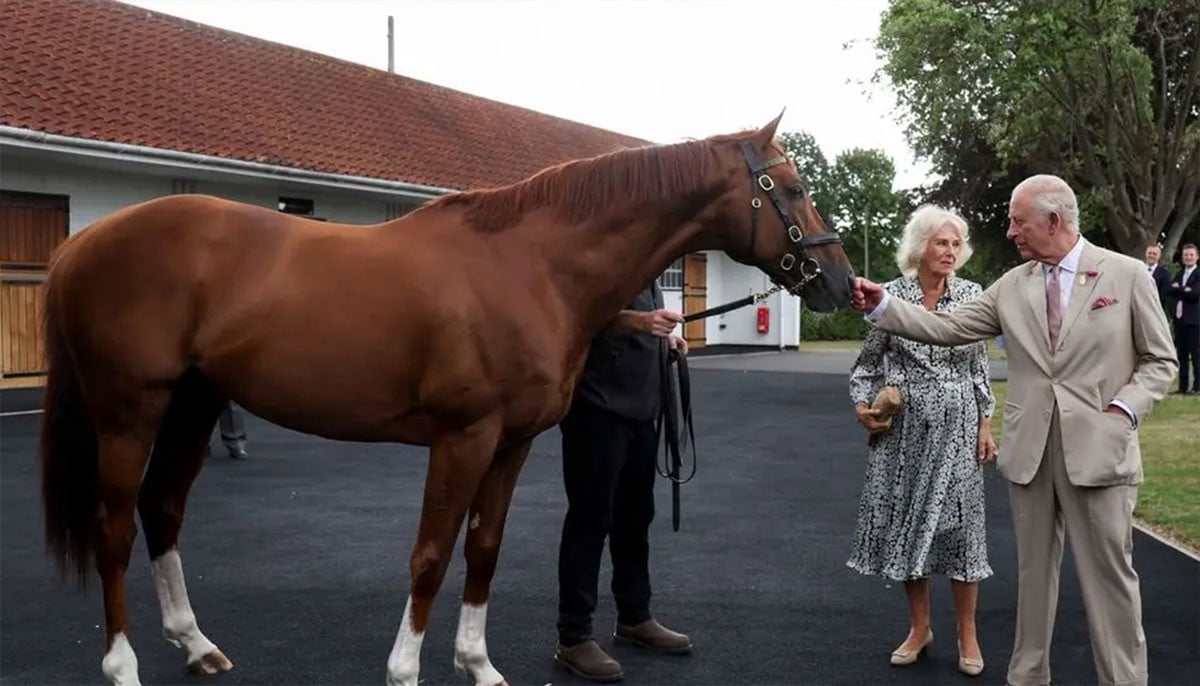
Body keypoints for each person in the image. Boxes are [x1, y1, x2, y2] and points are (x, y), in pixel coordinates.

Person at [850, 174, 1177, 686]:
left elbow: (1161, 361)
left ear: (1053, 221)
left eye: (1017, 221)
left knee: (1110, 583)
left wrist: (1123, 411)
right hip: (1030, 455)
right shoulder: (1011, 284)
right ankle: (1027, 678)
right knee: (1033, 583)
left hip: (1100, 452)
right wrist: (883, 306)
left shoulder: (1127, 275)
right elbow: (949, 328)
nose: (1009, 232)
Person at [847, 205, 996, 677]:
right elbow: (867, 366)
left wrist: (986, 423)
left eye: (955, 244)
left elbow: (978, 369)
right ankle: (919, 629)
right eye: (941, 243)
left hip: (958, 428)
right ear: (920, 247)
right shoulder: (890, 296)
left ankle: (967, 632)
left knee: (962, 532)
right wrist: (863, 407)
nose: (950, 252)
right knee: (910, 526)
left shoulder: (973, 295)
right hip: (904, 436)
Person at [553, 279, 693, 682]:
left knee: (636, 518)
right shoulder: (603, 254)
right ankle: (573, 636)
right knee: (589, 520)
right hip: (595, 406)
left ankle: (634, 617)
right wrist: (641, 322)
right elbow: (579, 316)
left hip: (641, 406)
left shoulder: (648, 265)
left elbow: (644, 325)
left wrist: (664, 341)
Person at [1167, 243, 1199, 394]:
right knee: (1182, 355)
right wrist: (1183, 289)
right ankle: (1182, 386)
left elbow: (1194, 295)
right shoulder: (1180, 274)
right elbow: (1170, 291)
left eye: (1191, 255)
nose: (1188, 257)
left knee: (1196, 354)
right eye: (1186, 255)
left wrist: (1179, 289)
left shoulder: (1198, 274)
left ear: (1197, 257)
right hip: (1180, 320)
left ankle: (1198, 386)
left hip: (1194, 320)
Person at [1144, 244, 1173, 321]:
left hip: (1155, 311)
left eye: (1154, 254)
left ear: (1159, 256)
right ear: (1146, 254)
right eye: (1149, 253)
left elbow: (1164, 294)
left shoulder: (1164, 274)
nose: (1151, 256)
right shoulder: (1139, 270)